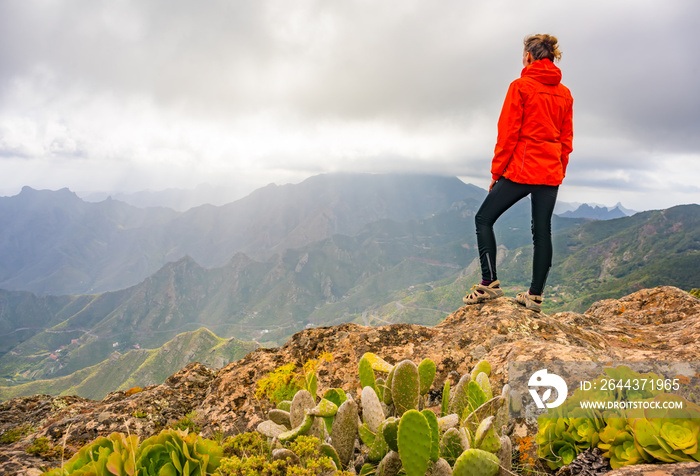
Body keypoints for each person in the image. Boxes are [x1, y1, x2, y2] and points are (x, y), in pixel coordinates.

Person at [463, 34, 573, 313]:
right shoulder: (565, 94)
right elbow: (566, 140)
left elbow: (508, 133)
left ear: (528, 57)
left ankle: (490, 283)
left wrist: (496, 172)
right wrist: (558, 169)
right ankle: (535, 296)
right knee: (542, 232)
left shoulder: (520, 87)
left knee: (483, 218)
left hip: (521, 170)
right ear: (552, 57)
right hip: (550, 171)